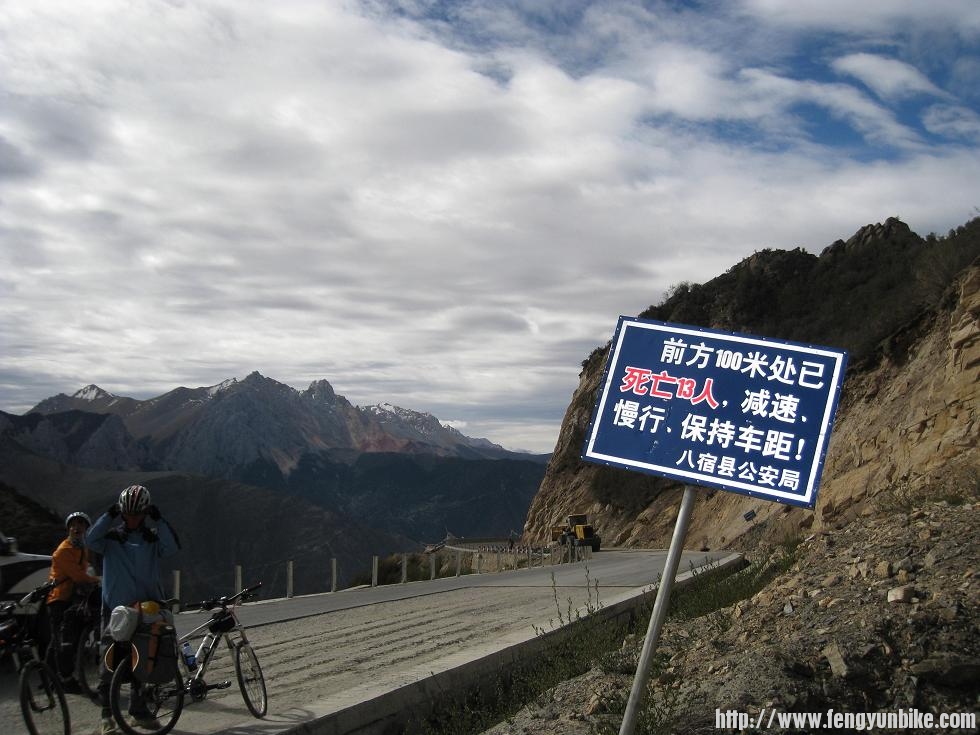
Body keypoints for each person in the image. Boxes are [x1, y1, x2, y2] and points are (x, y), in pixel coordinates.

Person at [87, 485, 179, 735]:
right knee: (110, 660)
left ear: (146, 513)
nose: (132, 518)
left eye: (138, 514)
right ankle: (107, 715)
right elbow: (90, 540)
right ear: (121, 512)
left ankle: (138, 710)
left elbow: (171, 547)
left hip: (146, 607)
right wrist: (108, 516)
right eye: (127, 513)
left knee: (143, 659)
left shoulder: (152, 539)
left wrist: (160, 522)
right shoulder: (111, 539)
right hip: (116, 608)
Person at [46, 511, 101, 691]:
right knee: (63, 641)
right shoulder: (64, 550)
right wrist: (99, 580)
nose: (77, 528)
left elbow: (83, 572)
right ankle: (64, 680)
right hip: (59, 599)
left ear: (86, 529)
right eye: (73, 525)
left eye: (81, 524)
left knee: (60, 640)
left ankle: (50, 677)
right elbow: (78, 576)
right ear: (69, 528)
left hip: (71, 599)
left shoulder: (81, 548)